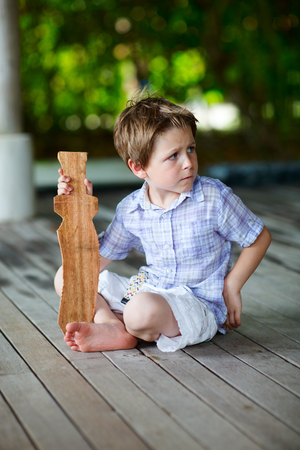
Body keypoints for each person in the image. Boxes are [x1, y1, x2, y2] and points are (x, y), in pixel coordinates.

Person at [55, 93, 272, 353]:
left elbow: (259, 238)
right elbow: (92, 262)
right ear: (139, 168)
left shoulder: (213, 198)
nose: (188, 163)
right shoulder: (132, 209)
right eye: (174, 156)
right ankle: (111, 325)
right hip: (146, 289)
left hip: (197, 302)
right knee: (66, 276)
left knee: (140, 311)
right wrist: (79, 209)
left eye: (190, 149)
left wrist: (232, 285)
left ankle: (130, 325)